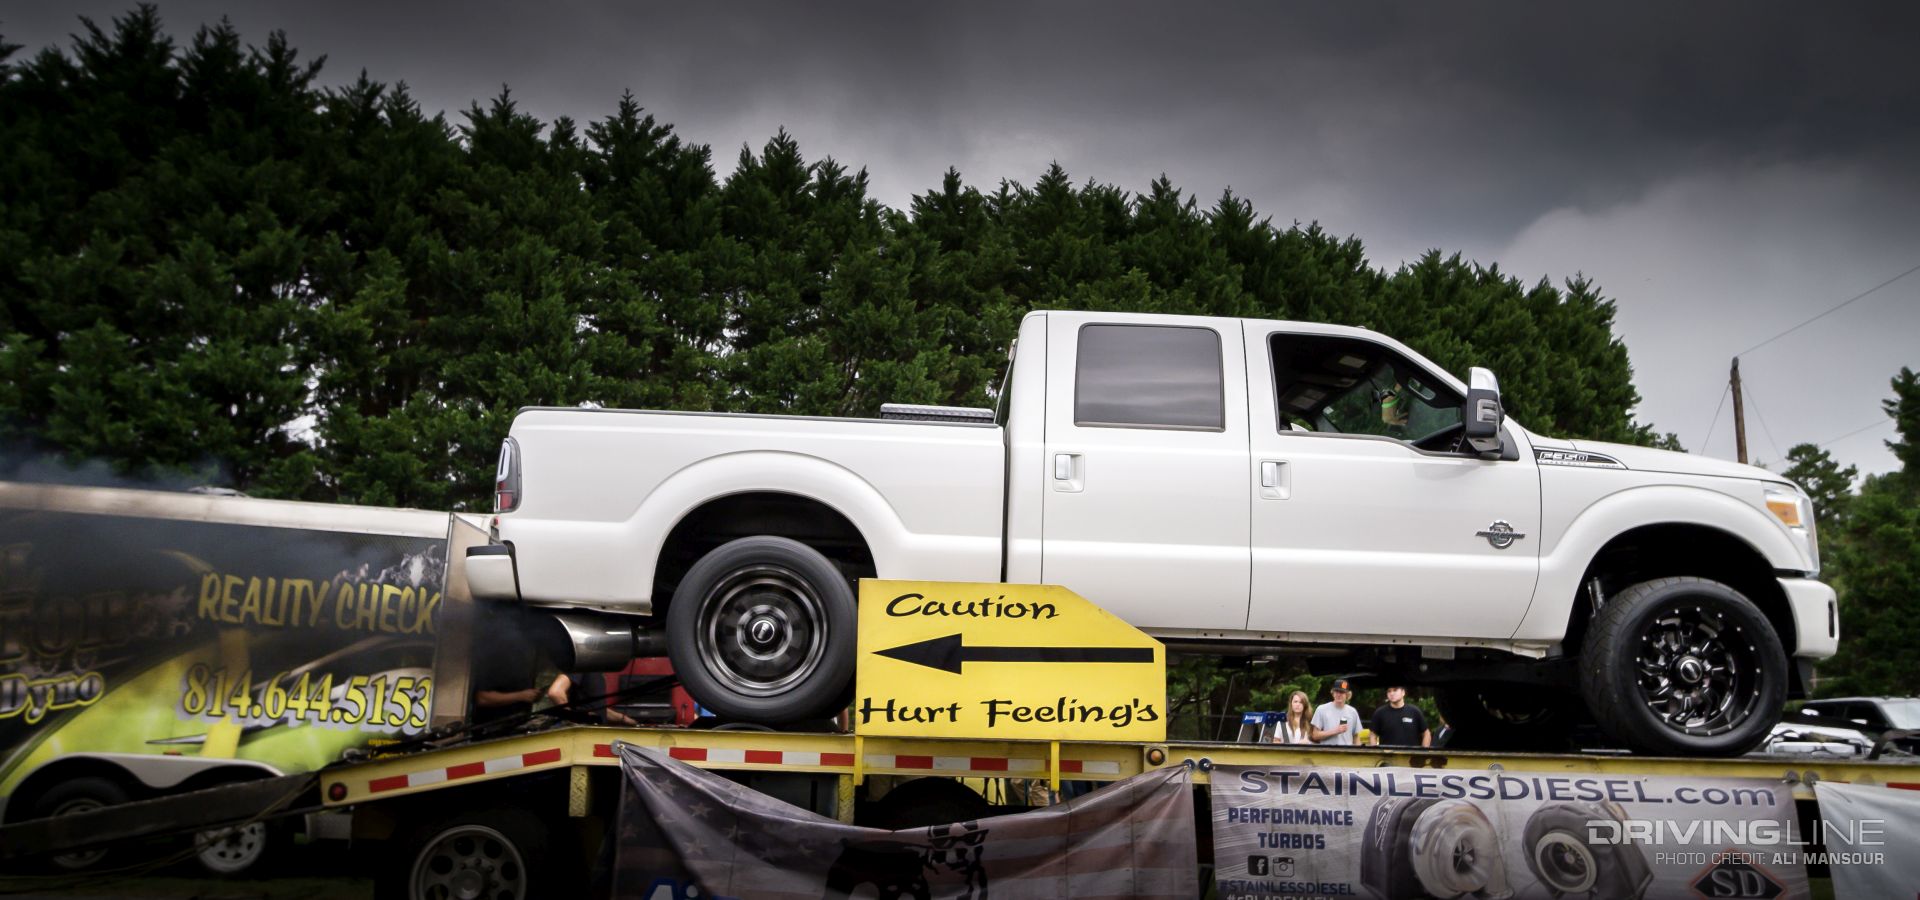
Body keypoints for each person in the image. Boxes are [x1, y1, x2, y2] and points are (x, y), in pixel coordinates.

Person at [1311, 679, 1364, 745]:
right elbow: (1315, 735)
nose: (1338, 694)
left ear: (1347, 695)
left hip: (1347, 753)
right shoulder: (1321, 709)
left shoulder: (1352, 712)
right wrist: (1335, 731)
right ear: (1332, 693)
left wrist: (1356, 753)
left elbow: (1357, 736)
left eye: (1342, 692)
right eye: (1336, 691)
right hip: (1327, 752)